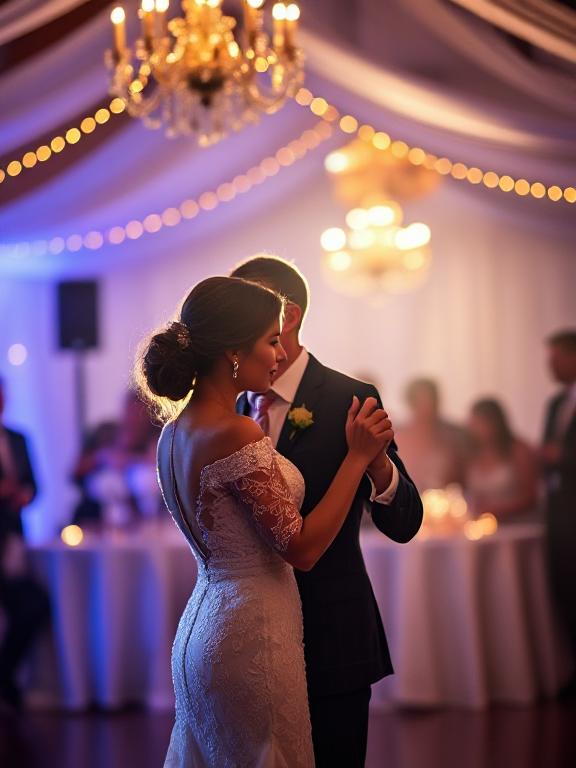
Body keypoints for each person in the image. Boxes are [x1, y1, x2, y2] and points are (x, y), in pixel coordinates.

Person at [137, 276, 394, 767]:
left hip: (204, 621)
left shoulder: (173, 432)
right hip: (252, 633)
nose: (280, 354)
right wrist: (358, 457)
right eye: (271, 340)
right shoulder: (234, 431)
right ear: (235, 352)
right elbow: (303, 549)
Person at [230, 255, 423, 767]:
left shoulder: (347, 398)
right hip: (248, 637)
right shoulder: (225, 406)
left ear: (286, 315)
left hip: (330, 633)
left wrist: (376, 464)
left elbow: (404, 523)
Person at [0, 376, 50, 710]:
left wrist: (24, 494)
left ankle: (5, 675)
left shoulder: (17, 438)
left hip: (14, 538)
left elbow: (35, 484)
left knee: (36, 605)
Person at [541, 330, 576, 696]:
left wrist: (561, 459)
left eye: (555, 357)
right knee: (563, 590)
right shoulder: (555, 404)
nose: (549, 365)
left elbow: (557, 454)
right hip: (559, 513)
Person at [465, 398, 539, 524]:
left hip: (518, 526)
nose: (472, 428)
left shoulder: (518, 450)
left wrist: (497, 510)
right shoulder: (472, 454)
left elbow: (531, 497)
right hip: (484, 527)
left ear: (493, 423)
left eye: (477, 423)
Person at [394, 377, 469, 493]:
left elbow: (465, 477)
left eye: (431, 401)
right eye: (421, 401)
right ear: (411, 403)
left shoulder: (455, 436)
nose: (427, 407)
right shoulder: (398, 436)